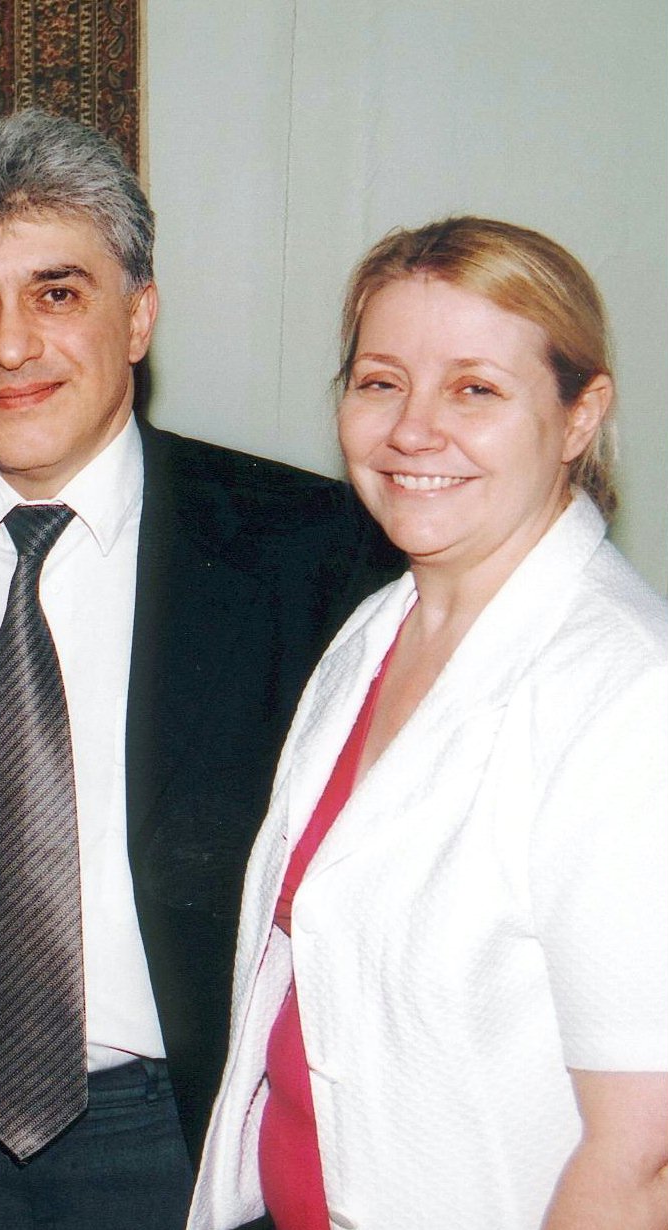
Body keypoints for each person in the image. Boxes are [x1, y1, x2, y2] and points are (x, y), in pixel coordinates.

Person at [0, 110, 395, 1229]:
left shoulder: (306, 557)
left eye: (57, 293)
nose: (12, 348)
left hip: (187, 1135)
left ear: (138, 317)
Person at [187, 217, 668, 1230]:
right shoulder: (377, 626)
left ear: (581, 415)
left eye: (474, 389)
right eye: (379, 381)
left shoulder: (627, 695)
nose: (412, 430)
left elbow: (642, 1155)